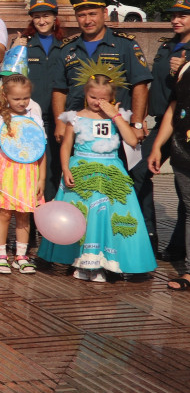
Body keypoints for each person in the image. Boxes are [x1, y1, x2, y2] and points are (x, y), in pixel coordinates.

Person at [51, 0, 154, 253]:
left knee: (133, 184)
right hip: (81, 130)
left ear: (104, 13)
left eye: (93, 12)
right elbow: (60, 89)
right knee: (80, 187)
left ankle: (139, 244)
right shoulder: (67, 49)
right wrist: (60, 123)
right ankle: (76, 245)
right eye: (82, 14)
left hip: (118, 129)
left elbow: (141, 84)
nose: (87, 19)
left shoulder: (124, 44)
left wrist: (138, 124)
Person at [40, 73, 157, 281]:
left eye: (103, 99)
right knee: (83, 214)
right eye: (93, 97)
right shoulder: (75, 117)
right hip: (82, 170)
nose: (97, 102)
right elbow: (66, 145)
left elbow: (131, 140)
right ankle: (81, 259)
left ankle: (109, 260)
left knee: (108, 215)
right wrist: (65, 169)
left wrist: (115, 115)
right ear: (86, 93)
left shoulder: (116, 117)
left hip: (111, 170)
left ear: (112, 98)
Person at [0, 74, 45, 274]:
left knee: (24, 215)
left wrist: (41, 178)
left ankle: (21, 255)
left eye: (25, 98)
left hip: (28, 172)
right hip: (5, 171)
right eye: (17, 99)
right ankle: (0, 254)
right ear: (6, 97)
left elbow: (41, 149)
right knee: (3, 214)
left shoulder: (34, 118)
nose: (22, 102)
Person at [151, 0, 190, 263]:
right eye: (173, 16)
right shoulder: (167, 46)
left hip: (183, 129)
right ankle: (150, 239)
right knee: (141, 174)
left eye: (182, 16)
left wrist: (182, 70)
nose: (175, 20)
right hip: (163, 122)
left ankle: (179, 248)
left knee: (185, 194)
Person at [16, 0, 65, 197]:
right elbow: (13, 78)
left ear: (55, 18)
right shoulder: (24, 45)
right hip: (31, 116)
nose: (42, 21)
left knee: (54, 168)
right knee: (31, 167)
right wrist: (15, 50)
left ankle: (51, 217)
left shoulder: (65, 45)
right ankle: (32, 219)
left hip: (59, 117)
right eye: (37, 17)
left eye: (46, 16)